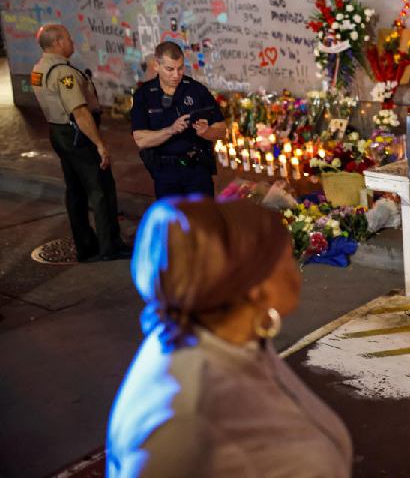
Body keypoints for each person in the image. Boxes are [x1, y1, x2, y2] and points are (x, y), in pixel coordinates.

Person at [107, 197, 353, 476]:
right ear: (253, 286)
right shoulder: (185, 419)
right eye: (285, 260)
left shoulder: (239, 341)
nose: (297, 274)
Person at [30, 24, 130, 262]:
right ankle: (110, 245)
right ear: (57, 43)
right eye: (68, 38)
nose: (72, 42)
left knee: (75, 189)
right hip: (77, 135)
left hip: (58, 132)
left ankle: (85, 244)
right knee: (101, 189)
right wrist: (99, 144)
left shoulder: (39, 69)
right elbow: (80, 112)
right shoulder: (63, 74)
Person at [131, 42, 226, 198]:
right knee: (173, 221)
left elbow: (222, 129)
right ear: (156, 66)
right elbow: (141, 140)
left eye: (180, 68)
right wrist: (171, 130)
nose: (176, 75)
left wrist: (207, 132)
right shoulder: (144, 95)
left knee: (203, 219)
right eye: (170, 69)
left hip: (196, 168)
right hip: (164, 171)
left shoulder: (196, 90)